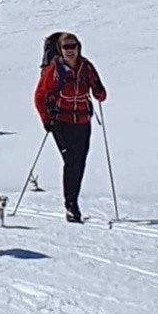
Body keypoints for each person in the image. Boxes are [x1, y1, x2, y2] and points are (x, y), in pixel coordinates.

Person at [34, 31, 107, 223]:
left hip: (82, 122)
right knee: (72, 161)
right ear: (60, 49)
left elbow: (100, 92)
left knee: (80, 162)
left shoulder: (86, 67)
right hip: (61, 122)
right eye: (66, 47)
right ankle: (71, 205)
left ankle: (72, 202)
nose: (70, 50)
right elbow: (40, 96)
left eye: (73, 46)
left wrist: (99, 92)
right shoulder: (54, 71)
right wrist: (46, 119)